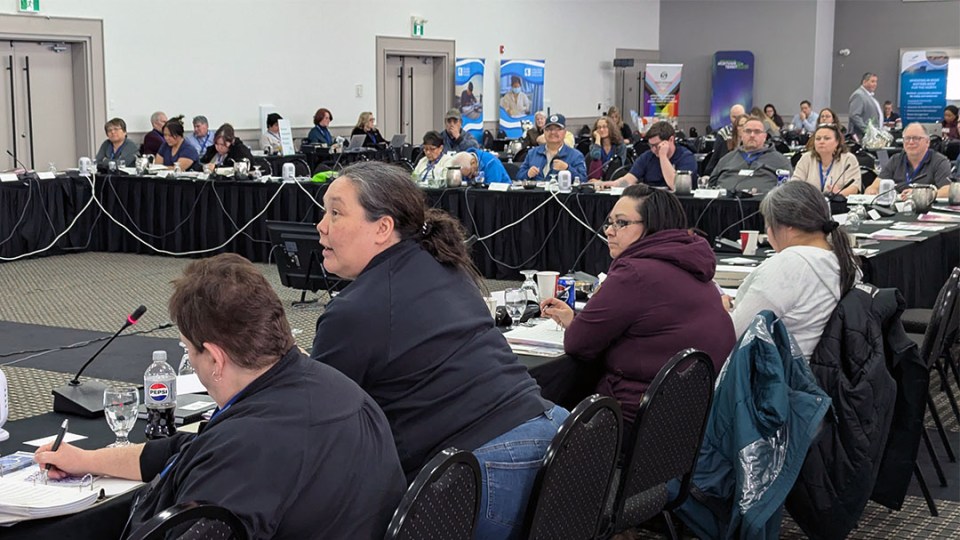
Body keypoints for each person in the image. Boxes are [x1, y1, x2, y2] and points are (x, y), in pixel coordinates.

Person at [34, 253, 406, 539]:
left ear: (214, 357)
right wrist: (86, 459)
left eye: (188, 350)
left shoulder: (242, 453)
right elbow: (183, 450)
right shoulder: (339, 391)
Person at [309, 162, 567, 540]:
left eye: (335, 212)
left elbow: (316, 428)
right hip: (557, 432)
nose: (321, 225)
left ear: (382, 228)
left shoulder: (354, 310)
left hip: (486, 469)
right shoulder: (443, 263)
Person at [540, 184, 735, 426]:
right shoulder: (690, 261)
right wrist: (577, 321)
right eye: (609, 222)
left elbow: (578, 344)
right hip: (690, 421)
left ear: (652, 226)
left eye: (621, 223)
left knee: (534, 416)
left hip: (634, 420)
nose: (609, 231)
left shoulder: (634, 272)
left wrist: (579, 327)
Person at [726, 181, 860, 358]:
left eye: (768, 224)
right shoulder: (845, 260)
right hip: (822, 372)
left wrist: (721, 313)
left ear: (787, 226)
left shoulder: (789, 265)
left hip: (783, 376)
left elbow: (735, 335)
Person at [597, 121, 697, 190]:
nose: (653, 149)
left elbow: (675, 186)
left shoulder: (686, 157)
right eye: (651, 145)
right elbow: (628, 180)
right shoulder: (647, 156)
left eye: (657, 145)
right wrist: (610, 185)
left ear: (671, 140)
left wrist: (663, 156)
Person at [864, 122, 953, 198]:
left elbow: (947, 190)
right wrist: (871, 190)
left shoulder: (940, 161)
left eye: (916, 138)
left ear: (927, 142)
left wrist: (920, 195)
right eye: (907, 138)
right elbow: (875, 185)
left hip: (925, 208)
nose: (910, 142)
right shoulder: (895, 160)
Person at [711, 115, 792, 195]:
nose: (752, 135)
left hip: (762, 205)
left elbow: (787, 193)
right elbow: (711, 185)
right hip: (723, 205)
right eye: (748, 131)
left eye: (757, 132)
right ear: (742, 135)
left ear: (764, 137)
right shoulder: (727, 159)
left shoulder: (781, 162)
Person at [790, 123, 861, 195]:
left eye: (827, 138)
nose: (821, 142)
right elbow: (794, 184)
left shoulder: (848, 159)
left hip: (837, 203)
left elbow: (854, 187)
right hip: (810, 203)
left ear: (837, 142)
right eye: (818, 139)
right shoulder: (806, 158)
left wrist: (838, 195)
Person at [516, 113, 587, 180]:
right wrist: (527, 174)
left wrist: (567, 169)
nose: (553, 132)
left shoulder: (575, 155)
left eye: (557, 129)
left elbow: (583, 179)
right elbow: (518, 176)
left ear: (565, 132)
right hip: (536, 192)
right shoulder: (532, 153)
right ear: (544, 132)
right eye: (549, 129)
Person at [705, 112, 748, 177]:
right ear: (736, 128)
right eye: (741, 125)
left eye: (746, 125)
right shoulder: (725, 144)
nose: (744, 128)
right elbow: (710, 168)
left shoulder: (753, 148)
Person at [586, 116, 627, 180]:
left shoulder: (620, 146)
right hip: (598, 179)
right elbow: (596, 157)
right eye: (599, 127)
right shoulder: (594, 146)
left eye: (604, 127)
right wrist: (597, 139)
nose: (601, 130)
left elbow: (619, 166)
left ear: (611, 128)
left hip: (615, 179)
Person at [848, 72, 882, 140]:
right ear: (864, 82)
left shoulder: (869, 96)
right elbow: (854, 115)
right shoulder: (858, 95)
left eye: (876, 82)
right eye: (872, 81)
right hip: (862, 136)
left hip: (872, 136)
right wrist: (867, 130)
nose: (875, 84)